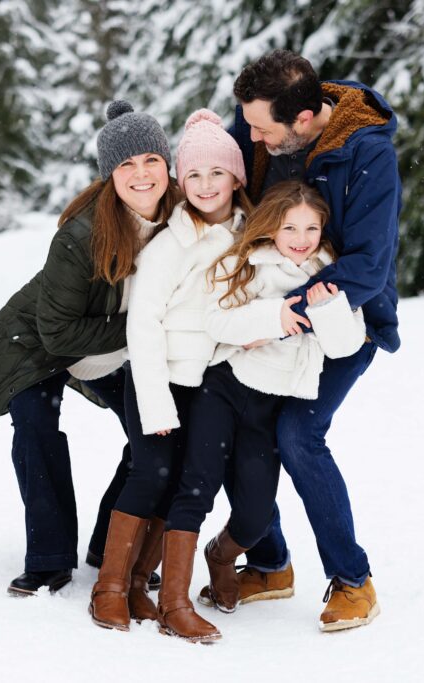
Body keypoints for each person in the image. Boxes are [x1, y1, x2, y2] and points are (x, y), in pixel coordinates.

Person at [0, 101, 181, 596]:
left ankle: (109, 542)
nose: (141, 174)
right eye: (125, 164)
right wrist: (142, 330)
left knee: (155, 438)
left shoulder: (184, 219)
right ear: (108, 175)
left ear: (167, 163)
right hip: (35, 342)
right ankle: (48, 558)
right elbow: (57, 333)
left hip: (114, 348)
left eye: (150, 160)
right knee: (36, 426)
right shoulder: (81, 235)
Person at [212, 48, 401, 631]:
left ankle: (352, 580)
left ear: (302, 120)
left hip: (344, 320)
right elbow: (210, 173)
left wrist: (280, 313)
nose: (251, 138)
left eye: (262, 129)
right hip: (266, 310)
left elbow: (368, 265)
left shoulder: (366, 153)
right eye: (247, 124)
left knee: (298, 435)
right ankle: (270, 565)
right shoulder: (264, 126)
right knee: (237, 423)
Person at [157, 181, 366, 642]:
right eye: (290, 226)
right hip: (225, 388)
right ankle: (173, 602)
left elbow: (345, 344)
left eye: (311, 227)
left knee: (254, 516)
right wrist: (274, 318)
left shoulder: (329, 270)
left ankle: (220, 554)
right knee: (198, 485)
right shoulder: (245, 261)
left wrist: (326, 305)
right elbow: (216, 318)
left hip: (271, 406)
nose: (300, 236)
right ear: (271, 224)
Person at [88, 109, 250, 631]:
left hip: (209, 382)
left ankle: (142, 585)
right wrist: (155, 401)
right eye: (194, 175)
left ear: (237, 178)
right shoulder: (170, 244)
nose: (204, 186)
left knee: (184, 479)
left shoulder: (251, 234)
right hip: (158, 380)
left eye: (216, 173)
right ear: (182, 180)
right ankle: (110, 585)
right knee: (151, 470)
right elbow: (144, 327)